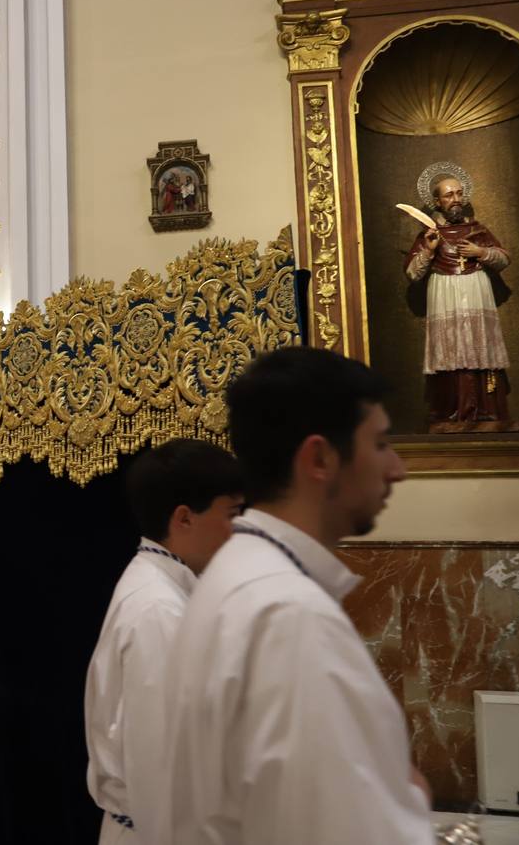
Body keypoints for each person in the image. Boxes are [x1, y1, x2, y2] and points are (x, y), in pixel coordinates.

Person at [156, 347, 430, 845]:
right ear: (320, 458)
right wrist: (409, 798)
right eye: (382, 443)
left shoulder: (243, 578)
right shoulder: (289, 614)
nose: (398, 469)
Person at [84, 439, 242, 843]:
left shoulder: (168, 591)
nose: (238, 532)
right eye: (231, 514)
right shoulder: (158, 611)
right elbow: (162, 775)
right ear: (184, 518)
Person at [404, 172, 517, 432]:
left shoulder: (477, 229)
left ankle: (486, 410)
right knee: (450, 347)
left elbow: (503, 258)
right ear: (437, 201)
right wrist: (430, 250)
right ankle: (451, 411)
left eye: (458, 193)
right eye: (448, 195)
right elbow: (412, 273)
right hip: (444, 290)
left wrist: (481, 252)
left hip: (476, 288)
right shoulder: (429, 233)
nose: (455, 199)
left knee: (480, 344)